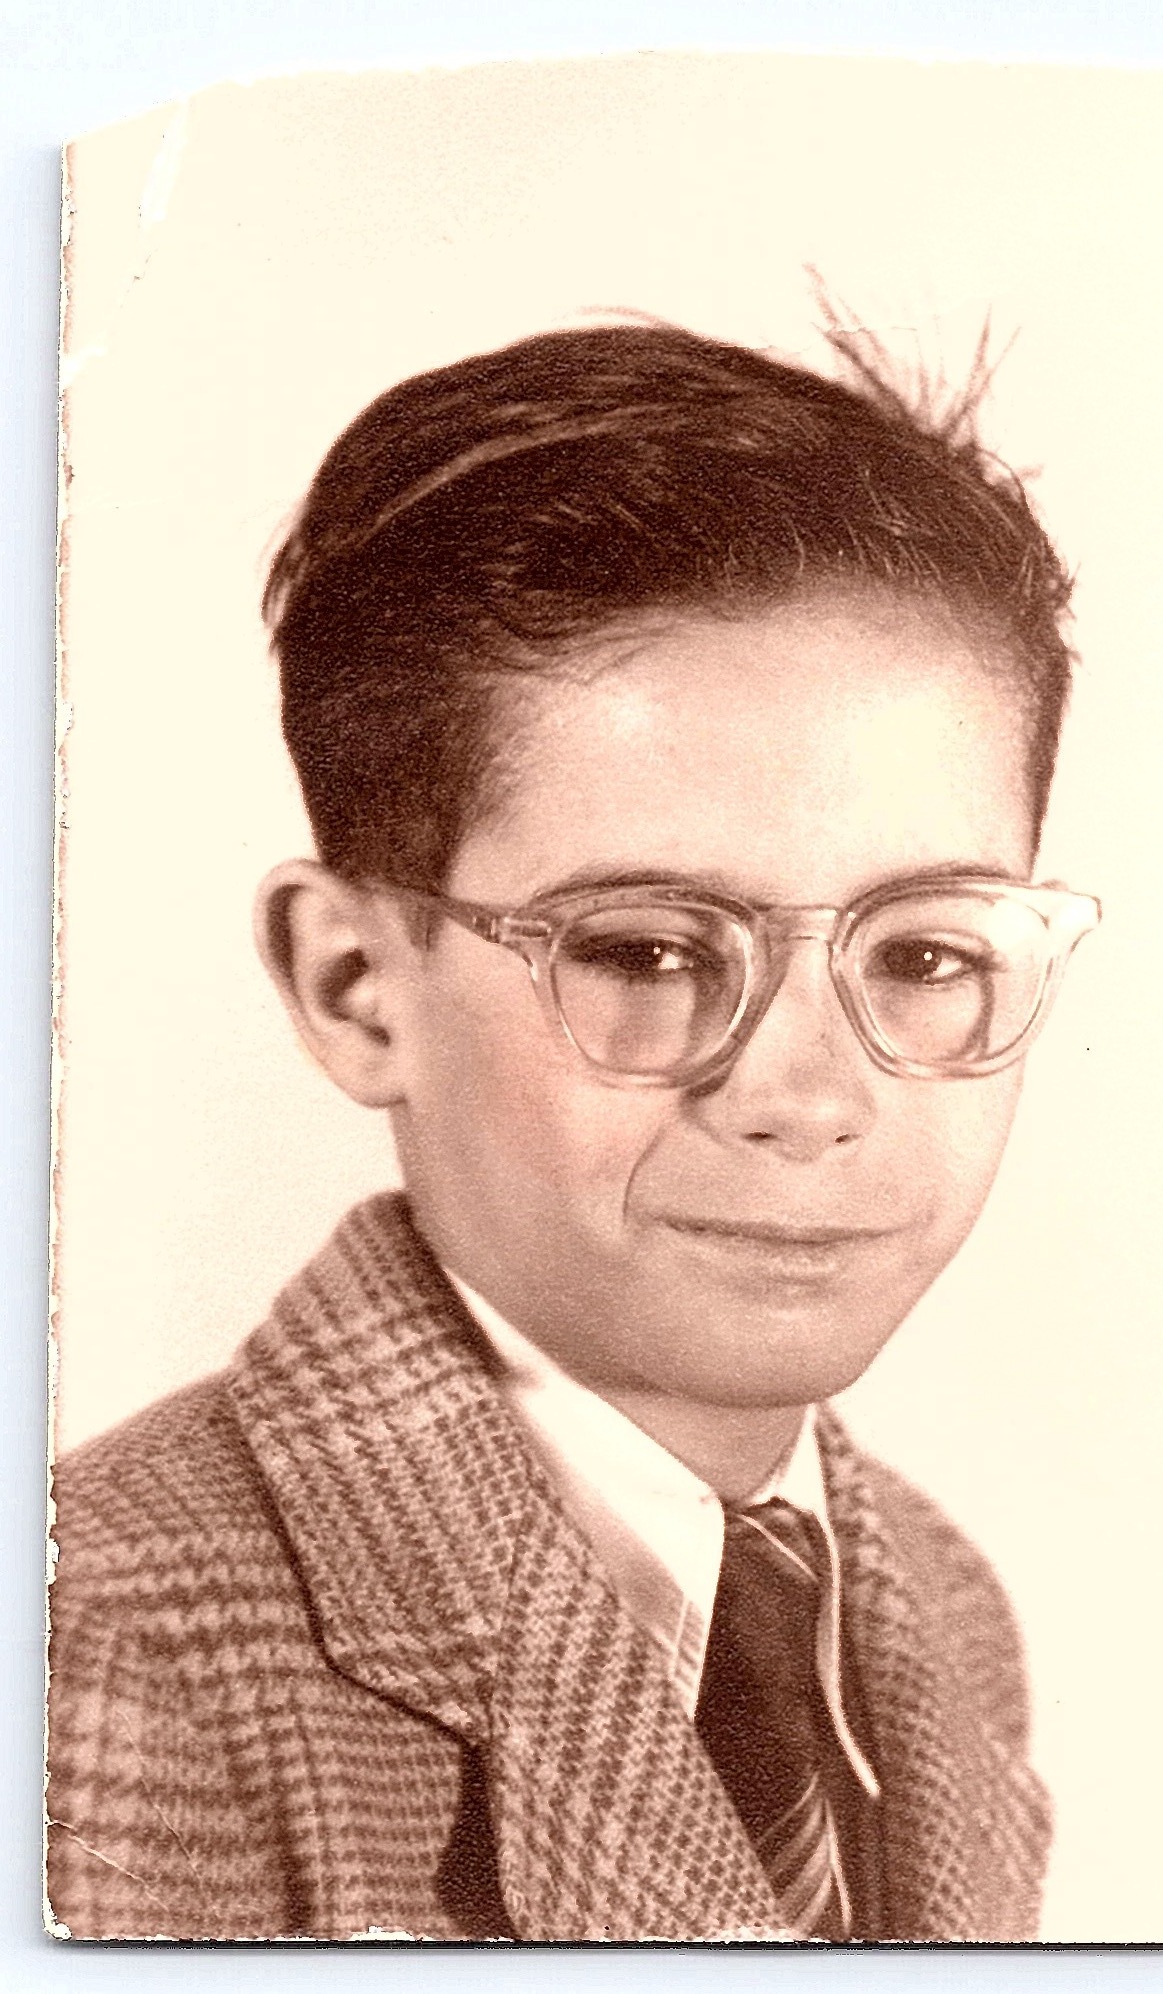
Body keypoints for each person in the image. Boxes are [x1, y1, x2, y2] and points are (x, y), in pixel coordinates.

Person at [46, 318, 1099, 1942]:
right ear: (355, 985)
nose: (812, 1096)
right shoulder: (100, 1657)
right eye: (652, 953)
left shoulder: (932, 1604)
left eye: (923, 956)